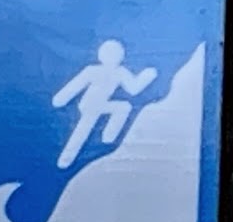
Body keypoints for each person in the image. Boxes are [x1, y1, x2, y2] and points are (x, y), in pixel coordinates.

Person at [51, 40, 158, 168]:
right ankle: (66, 159)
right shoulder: (93, 70)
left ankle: (108, 136)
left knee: (122, 107)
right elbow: (75, 85)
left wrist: (147, 76)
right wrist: (61, 99)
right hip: (90, 105)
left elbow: (133, 88)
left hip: (102, 104)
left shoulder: (120, 72)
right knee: (82, 130)